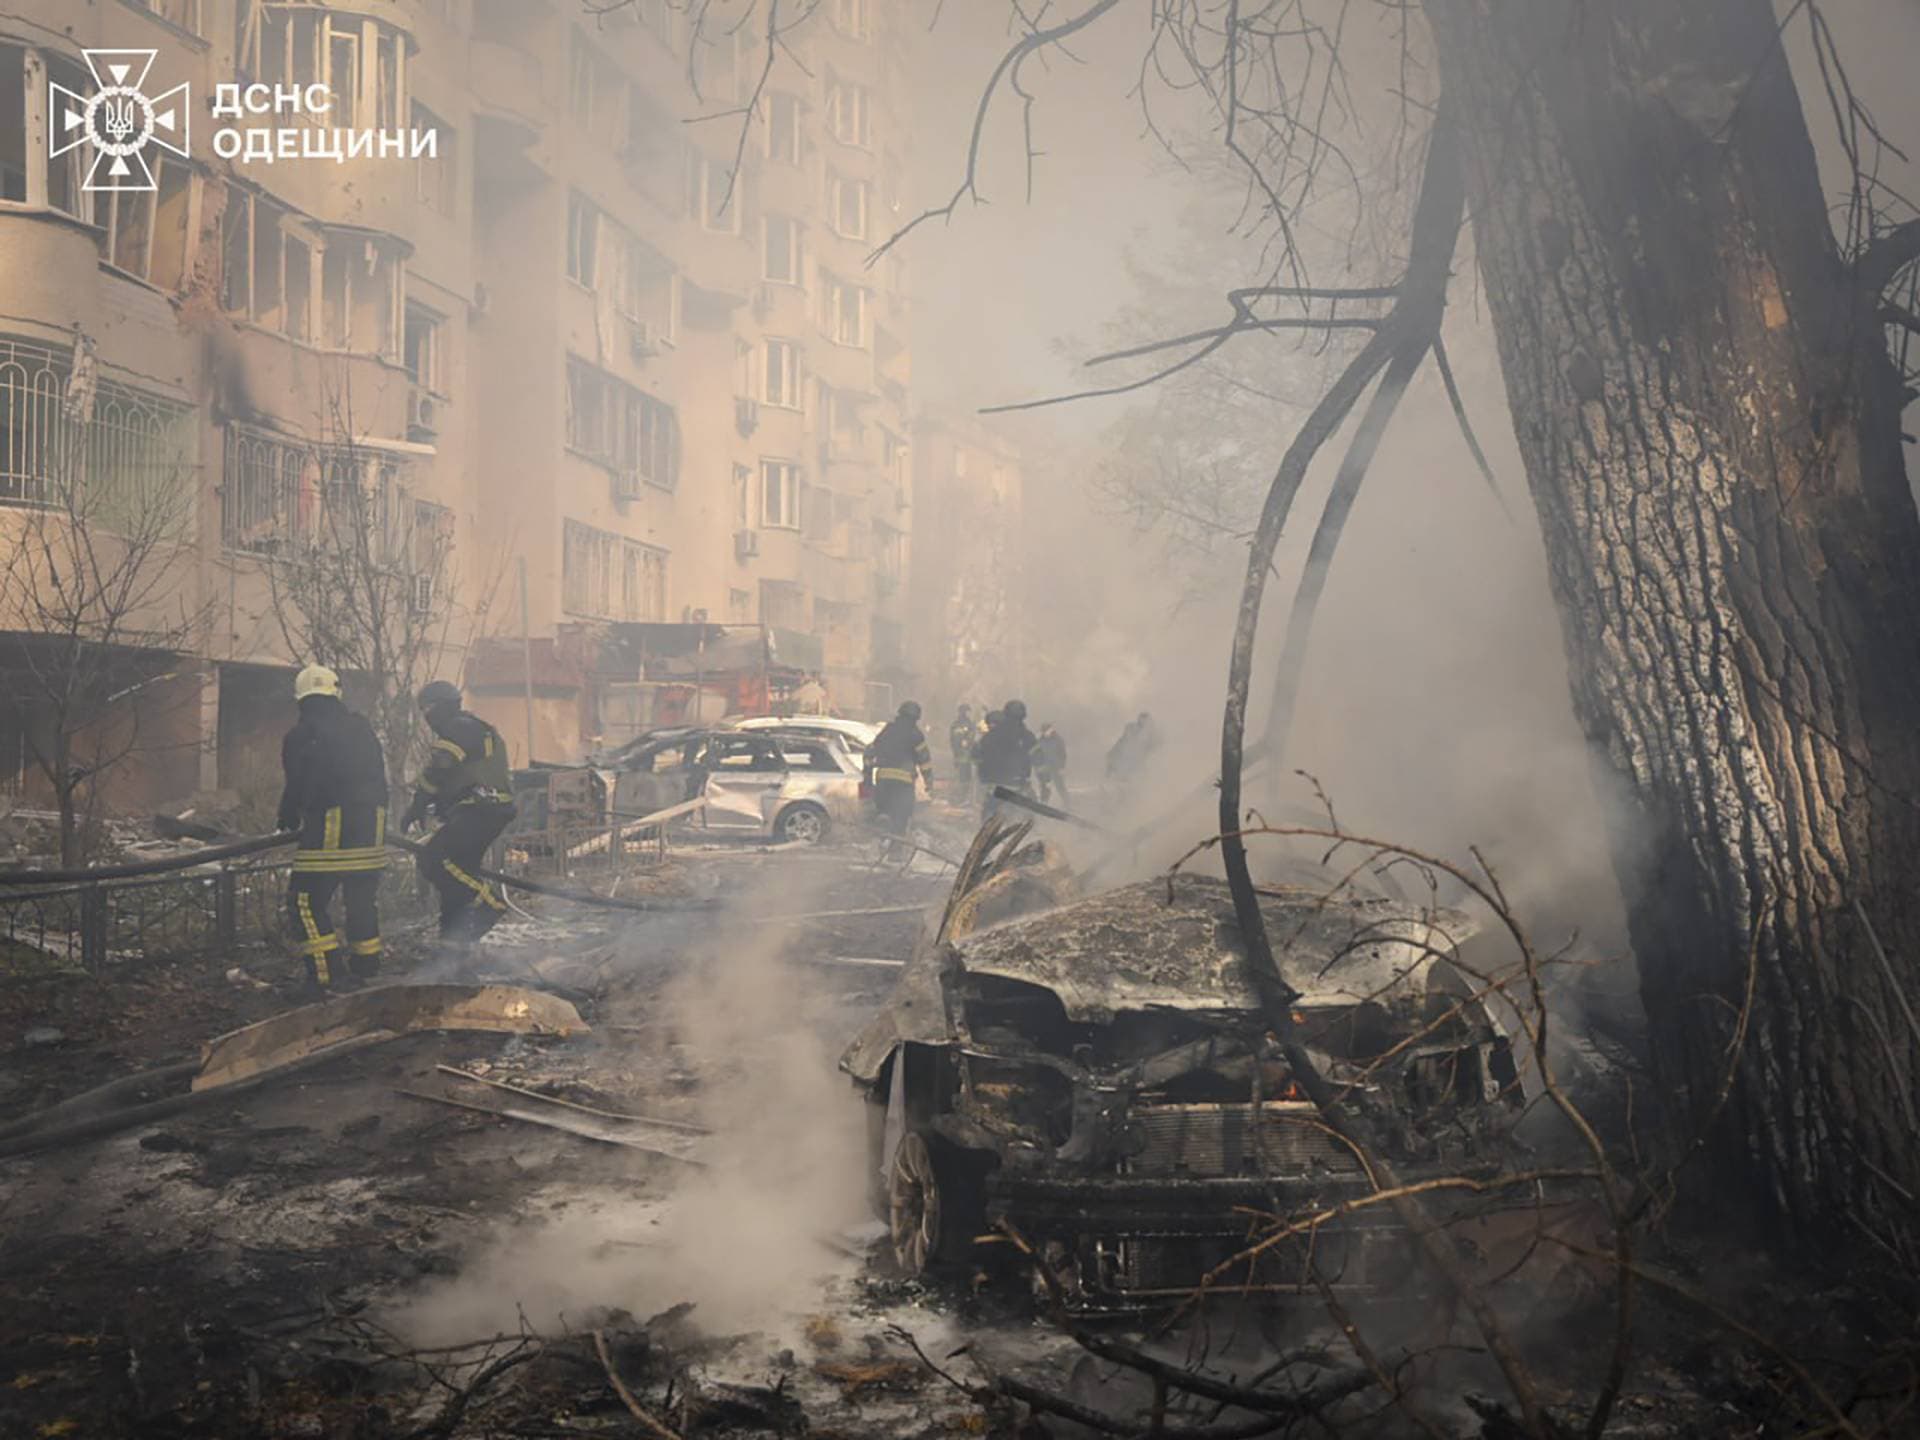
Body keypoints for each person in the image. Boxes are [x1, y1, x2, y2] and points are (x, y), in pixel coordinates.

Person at [278, 663, 389, 993]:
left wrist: (287, 815)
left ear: (301, 698)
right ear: (336, 693)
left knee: (304, 901)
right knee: (360, 898)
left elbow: (298, 782)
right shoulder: (361, 727)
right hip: (373, 825)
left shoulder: (301, 735)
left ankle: (327, 976)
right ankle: (367, 965)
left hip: (333, 825)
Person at [403, 680, 518, 954]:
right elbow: (455, 776)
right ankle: (453, 945)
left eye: (427, 709)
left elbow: (440, 767)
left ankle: (489, 904)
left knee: (434, 859)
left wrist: (418, 804)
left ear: (440, 707)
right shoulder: (470, 728)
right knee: (458, 873)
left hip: (481, 811)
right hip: (480, 810)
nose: (426, 717)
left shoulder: (459, 728)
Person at [866, 701, 934, 851]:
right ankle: (895, 852)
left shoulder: (887, 730)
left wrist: (867, 776)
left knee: (885, 812)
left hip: (883, 780)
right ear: (916, 718)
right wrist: (929, 781)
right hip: (903, 783)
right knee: (901, 819)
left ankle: (883, 828)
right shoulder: (916, 734)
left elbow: (869, 752)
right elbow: (924, 760)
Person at [975, 699, 1037, 820]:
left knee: (989, 818)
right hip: (1020, 785)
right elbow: (1039, 760)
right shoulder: (1027, 736)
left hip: (995, 786)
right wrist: (1045, 783)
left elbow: (977, 755)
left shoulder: (991, 735)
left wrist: (983, 776)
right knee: (1028, 818)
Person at [948, 703, 978, 802]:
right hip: (959, 753)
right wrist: (955, 749)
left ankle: (963, 796)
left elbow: (971, 737)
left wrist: (967, 742)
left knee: (964, 774)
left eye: (966, 711)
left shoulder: (968, 724)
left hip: (965, 753)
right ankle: (959, 795)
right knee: (960, 773)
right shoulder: (956, 724)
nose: (965, 713)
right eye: (964, 711)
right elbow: (952, 738)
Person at [1034, 723, 1069, 806]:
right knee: (1044, 786)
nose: (1046, 733)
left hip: (1056, 767)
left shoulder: (1058, 739)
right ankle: (1043, 804)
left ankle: (1067, 803)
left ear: (1051, 730)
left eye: (1047, 730)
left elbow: (1063, 754)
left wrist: (1062, 767)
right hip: (1044, 767)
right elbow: (1035, 753)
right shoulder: (1039, 740)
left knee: (1060, 786)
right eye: (1044, 731)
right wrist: (1037, 766)